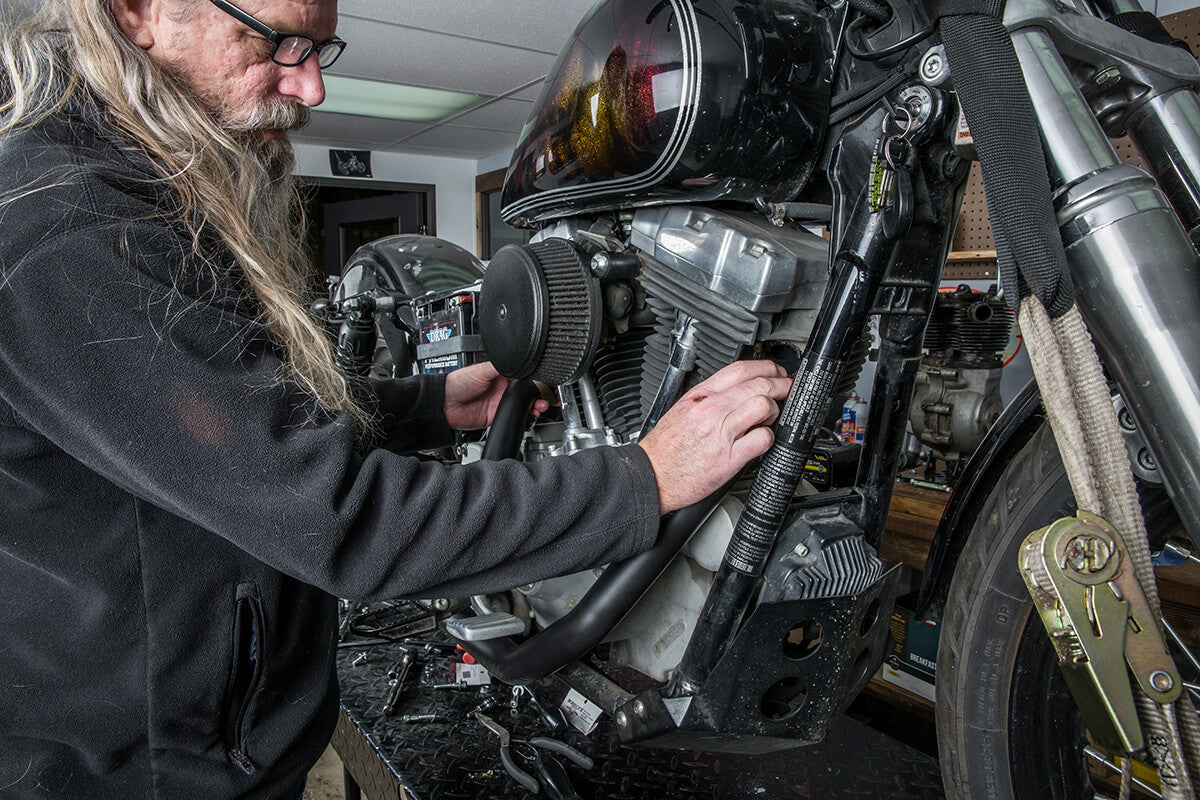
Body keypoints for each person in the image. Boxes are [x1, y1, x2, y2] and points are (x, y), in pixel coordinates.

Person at [0, 1, 792, 798]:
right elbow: (341, 519)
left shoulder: (132, 192)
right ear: (139, 11)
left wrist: (426, 406)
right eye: (276, 42)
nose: (309, 86)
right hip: (145, 774)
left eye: (320, 48)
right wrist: (644, 480)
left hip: (203, 742)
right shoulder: (77, 233)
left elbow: (230, 419)